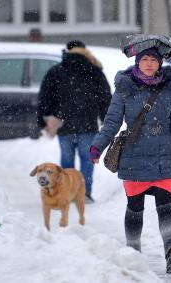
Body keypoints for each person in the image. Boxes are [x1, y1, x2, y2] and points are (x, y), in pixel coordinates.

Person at [89, 35, 171, 273]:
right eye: (144, 59)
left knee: (166, 205)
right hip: (134, 157)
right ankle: (133, 252)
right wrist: (97, 146)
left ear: (159, 64)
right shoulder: (125, 90)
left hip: (163, 157)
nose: (148, 63)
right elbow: (112, 123)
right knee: (135, 207)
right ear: (137, 61)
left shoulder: (169, 91)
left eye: (153, 60)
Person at [37, 40, 111, 203]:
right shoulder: (95, 70)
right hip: (88, 125)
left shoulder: (56, 71)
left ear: (67, 51)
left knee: (67, 162)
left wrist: (42, 120)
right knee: (87, 160)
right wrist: (106, 118)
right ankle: (84, 193)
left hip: (64, 125)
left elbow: (44, 97)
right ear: (84, 51)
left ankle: (67, 192)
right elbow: (105, 97)